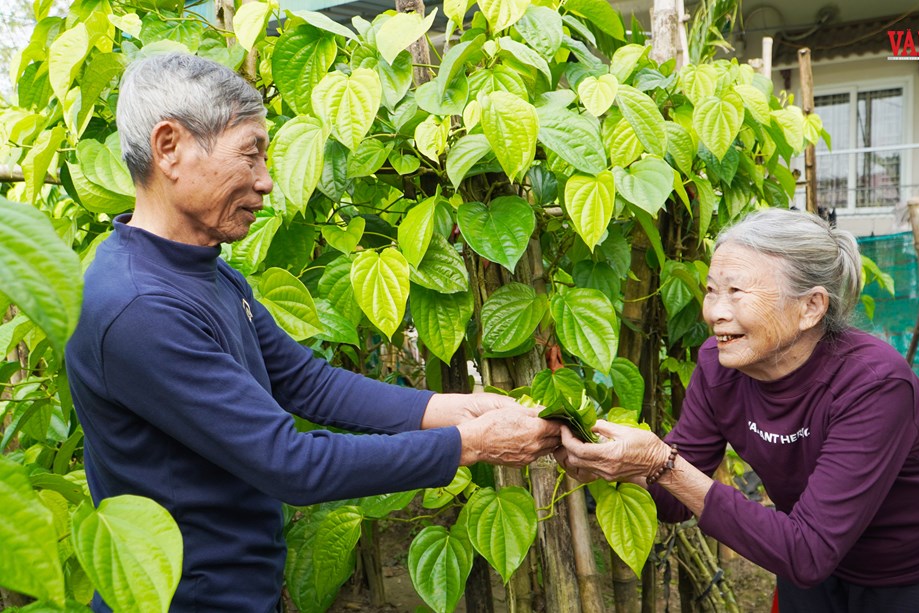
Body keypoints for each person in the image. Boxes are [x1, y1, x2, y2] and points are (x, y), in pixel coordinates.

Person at [64, 52, 561, 613]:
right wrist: (470, 445)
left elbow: (306, 383)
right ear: (169, 147)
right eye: (250, 153)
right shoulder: (139, 307)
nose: (266, 181)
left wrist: (452, 409)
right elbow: (290, 463)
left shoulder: (202, 270)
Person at [556, 208, 919, 612]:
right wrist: (605, 457)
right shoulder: (718, 367)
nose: (715, 312)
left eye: (737, 292)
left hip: (918, 557)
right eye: (711, 290)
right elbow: (675, 502)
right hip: (806, 543)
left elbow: (806, 552)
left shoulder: (873, 384)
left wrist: (661, 463)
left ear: (810, 307)